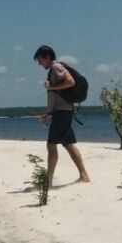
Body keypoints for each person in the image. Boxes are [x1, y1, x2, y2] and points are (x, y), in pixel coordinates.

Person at [34, 45, 90, 185]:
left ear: (47, 57)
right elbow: (56, 97)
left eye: (40, 60)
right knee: (69, 144)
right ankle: (84, 175)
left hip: (63, 112)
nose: (39, 63)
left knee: (51, 145)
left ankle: (48, 180)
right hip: (63, 111)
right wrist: (48, 113)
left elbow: (70, 82)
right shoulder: (53, 70)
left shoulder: (56, 67)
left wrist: (51, 87)